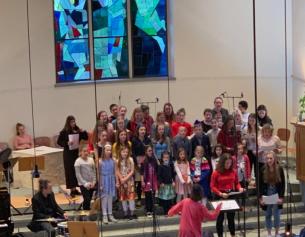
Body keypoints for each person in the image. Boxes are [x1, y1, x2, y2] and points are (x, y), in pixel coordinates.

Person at [210, 153, 244, 237]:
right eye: (226, 163)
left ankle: (233, 235)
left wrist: (239, 188)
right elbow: (212, 186)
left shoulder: (233, 171)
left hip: (230, 194)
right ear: (222, 162)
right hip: (219, 194)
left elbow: (236, 183)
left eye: (230, 163)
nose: (228, 165)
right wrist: (220, 193)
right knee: (220, 218)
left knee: (231, 217)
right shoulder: (216, 173)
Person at [57, 116, 88, 197]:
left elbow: (85, 137)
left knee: (76, 170)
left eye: (74, 121)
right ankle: (72, 190)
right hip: (68, 154)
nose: (73, 123)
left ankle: (76, 189)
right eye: (71, 122)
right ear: (68, 123)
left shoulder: (77, 130)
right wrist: (67, 143)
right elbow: (59, 141)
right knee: (70, 171)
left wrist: (83, 131)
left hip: (75, 153)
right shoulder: (64, 132)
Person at [259, 151, 285, 237]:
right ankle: (269, 233)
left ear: (274, 159)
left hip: (276, 193)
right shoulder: (262, 169)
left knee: (277, 215)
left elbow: (282, 184)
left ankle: (277, 233)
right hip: (267, 193)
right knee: (268, 214)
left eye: (271, 158)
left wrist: (281, 197)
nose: (269, 160)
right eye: (267, 158)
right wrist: (260, 198)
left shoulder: (279, 168)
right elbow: (260, 185)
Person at [131, 124, 151, 207]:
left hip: (146, 161)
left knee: (147, 181)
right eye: (141, 130)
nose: (143, 131)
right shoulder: (134, 140)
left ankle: (147, 198)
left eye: (144, 130)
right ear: (138, 131)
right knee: (139, 181)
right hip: (138, 162)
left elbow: (150, 151)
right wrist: (137, 163)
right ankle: (139, 198)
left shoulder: (148, 140)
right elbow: (133, 153)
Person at [116, 147, 136, 220]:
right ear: (120, 152)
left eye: (126, 152)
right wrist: (121, 179)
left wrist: (125, 178)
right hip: (122, 181)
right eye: (123, 152)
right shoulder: (117, 161)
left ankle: (132, 213)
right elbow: (117, 171)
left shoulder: (130, 159)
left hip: (130, 181)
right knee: (123, 198)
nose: (125, 153)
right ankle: (125, 213)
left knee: (131, 197)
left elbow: (132, 171)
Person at [99, 144, 117, 224]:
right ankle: (104, 215)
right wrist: (100, 184)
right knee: (104, 198)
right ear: (103, 151)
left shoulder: (113, 161)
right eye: (107, 150)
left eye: (110, 150)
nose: (109, 152)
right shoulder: (100, 161)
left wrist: (116, 182)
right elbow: (99, 174)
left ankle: (110, 214)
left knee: (110, 198)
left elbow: (115, 172)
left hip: (111, 179)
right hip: (104, 179)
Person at [74, 145, 96, 210]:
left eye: (87, 151)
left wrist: (94, 182)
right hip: (83, 184)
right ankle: (86, 210)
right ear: (80, 152)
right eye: (84, 151)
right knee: (87, 198)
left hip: (91, 183)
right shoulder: (78, 161)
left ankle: (86, 208)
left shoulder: (91, 160)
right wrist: (85, 183)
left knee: (89, 199)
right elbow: (78, 174)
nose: (86, 153)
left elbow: (94, 171)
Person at [141, 145, 158, 217]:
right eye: (149, 151)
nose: (150, 152)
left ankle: (152, 210)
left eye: (151, 150)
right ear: (146, 152)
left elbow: (157, 169)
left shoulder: (154, 160)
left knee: (153, 195)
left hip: (153, 180)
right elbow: (142, 172)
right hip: (147, 180)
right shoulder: (144, 161)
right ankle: (148, 210)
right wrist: (142, 181)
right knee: (148, 196)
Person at [157, 151, 175, 215]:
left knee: (169, 198)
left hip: (169, 184)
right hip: (164, 185)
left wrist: (173, 181)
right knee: (165, 198)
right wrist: (161, 182)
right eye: (164, 157)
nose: (166, 159)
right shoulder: (160, 166)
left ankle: (169, 211)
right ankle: (165, 211)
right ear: (162, 158)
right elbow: (159, 175)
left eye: (167, 157)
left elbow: (173, 174)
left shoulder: (171, 165)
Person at [242, 113, 259, 178]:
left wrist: (255, 140)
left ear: (256, 121)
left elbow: (262, 141)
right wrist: (244, 141)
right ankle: (248, 182)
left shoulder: (260, 129)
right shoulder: (245, 129)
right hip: (248, 150)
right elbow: (243, 139)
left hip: (257, 151)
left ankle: (257, 184)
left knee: (257, 169)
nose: (251, 122)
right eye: (249, 120)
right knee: (248, 168)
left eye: (253, 120)